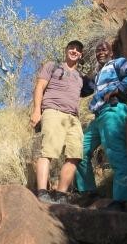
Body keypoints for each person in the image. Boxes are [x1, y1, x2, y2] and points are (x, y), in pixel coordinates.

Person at [75, 40, 127, 211]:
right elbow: (84, 89)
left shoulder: (116, 63)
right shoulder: (98, 75)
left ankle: (122, 201)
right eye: (98, 50)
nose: (100, 52)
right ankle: (89, 191)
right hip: (98, 116)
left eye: (104, 49)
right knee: (79, 151)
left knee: (115, 152)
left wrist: (119, 88)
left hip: (112, 110)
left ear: (111, 52)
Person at [30, 40, 89, 204]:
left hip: (73, 118)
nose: (74, 51)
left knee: (75, 155)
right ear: (66, 50)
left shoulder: (80, 77)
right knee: (47, 151)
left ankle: (61, 194)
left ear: (81, 55)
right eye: (71, 48)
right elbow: (40, 87)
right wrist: (36, 111)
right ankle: (42, 191)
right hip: (52, 111)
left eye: (78, 49)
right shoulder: (52, 66)